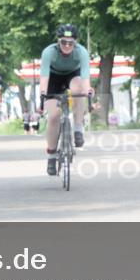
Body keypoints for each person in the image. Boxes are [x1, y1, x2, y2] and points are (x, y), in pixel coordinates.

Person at [37, 24, 91, 176]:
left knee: (78, 91)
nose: (67, 45)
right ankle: (51, 155)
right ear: (58, 41)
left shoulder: (82, 52)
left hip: (73, 75)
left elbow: (85, 76)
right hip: (53, 78)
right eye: (63, 42)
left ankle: (78, 128)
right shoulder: (49, 52)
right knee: (54, 116)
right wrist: (43, 93)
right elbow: (44, 77)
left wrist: (87, 90)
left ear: (75, 43)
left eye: (71, 43)